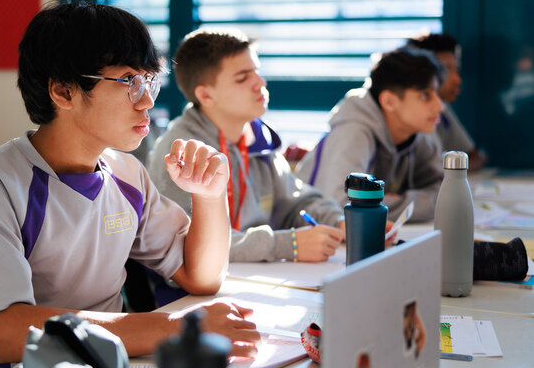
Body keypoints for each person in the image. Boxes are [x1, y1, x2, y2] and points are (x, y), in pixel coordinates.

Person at [0, 2, 260, 368]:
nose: (147, 101)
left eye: (149, 80)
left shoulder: (127, 173)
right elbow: (3, 330)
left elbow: (201, 275)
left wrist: (209, 195)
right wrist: (175, 329)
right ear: (63, 92)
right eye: (129, 82)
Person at [148, 28, 345, 264]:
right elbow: (188, 246)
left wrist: (340, 221)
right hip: (187, 293)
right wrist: (285, 245)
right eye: (243, 78)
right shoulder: (180, 152)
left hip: (249, 277)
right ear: (206, 95)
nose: (260, 83)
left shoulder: (258, 137)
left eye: (257, 72)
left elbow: (296, 203)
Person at [296, 48, 445, 222]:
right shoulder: (353, 133)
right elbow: (343, 208)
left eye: (437, 94)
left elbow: (444, 191)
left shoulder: (413, 135)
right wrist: (415, 202)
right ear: (389, 101)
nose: (440, 106)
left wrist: (384, 202)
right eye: (425, 95)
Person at [407, 33, 487, 170]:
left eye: (456, 69)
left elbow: (475, 156)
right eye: (445, 69)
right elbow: (434, 171)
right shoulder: (409, 114)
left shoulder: (441, 106)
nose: (457, 79)